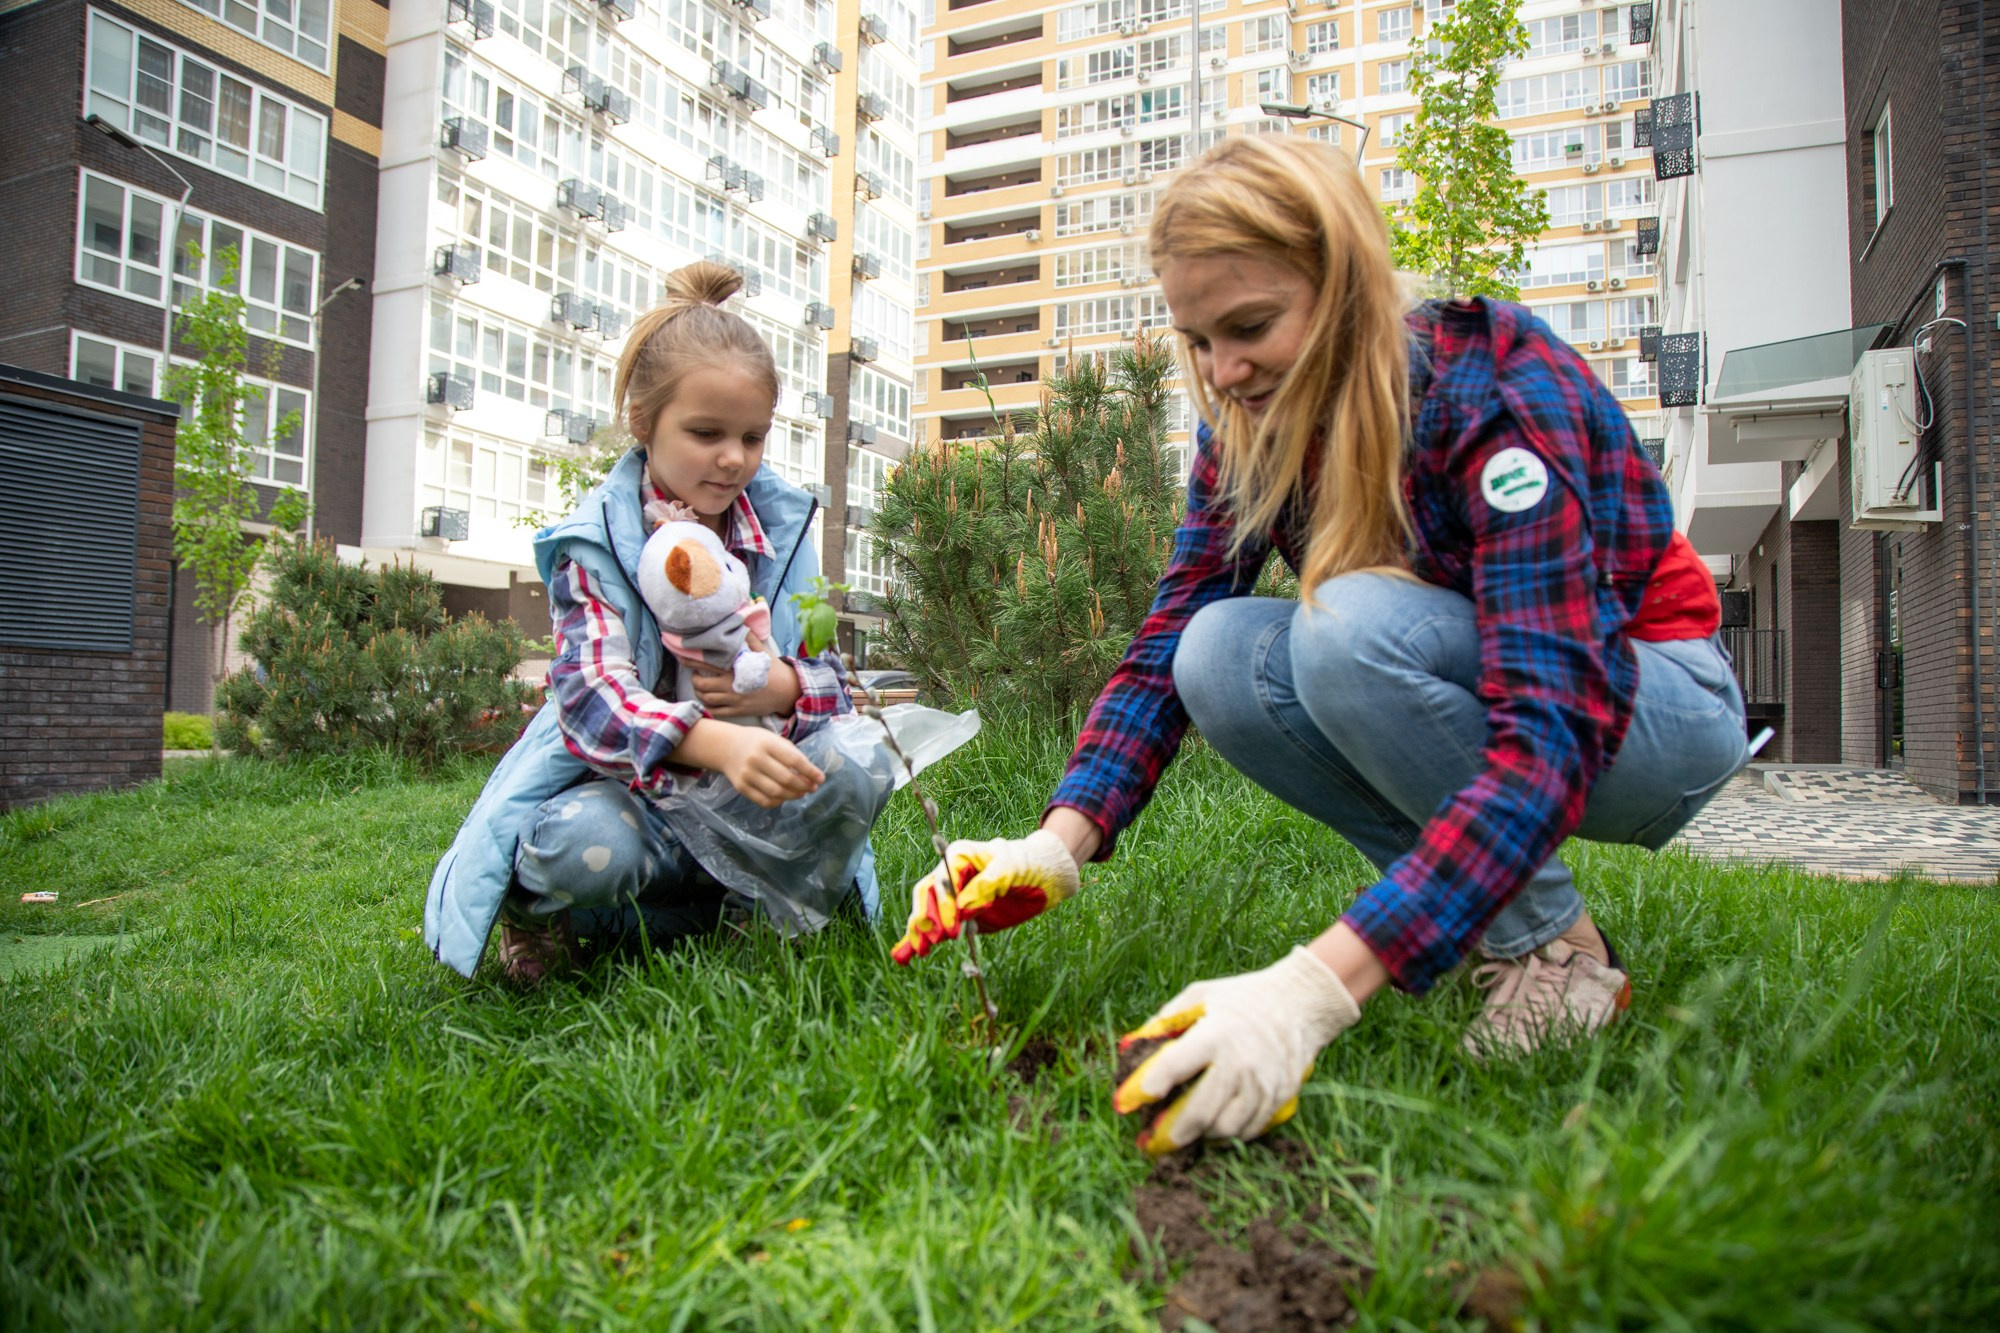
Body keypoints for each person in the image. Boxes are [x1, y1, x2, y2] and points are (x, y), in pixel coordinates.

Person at [890, 137, 1747, 1155]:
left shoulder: (1494, 391)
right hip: (1488, 689)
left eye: (1250, 327)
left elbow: (1552, 732)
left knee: (1344, 625)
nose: (1223, 370)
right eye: (1199, 339)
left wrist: (1312, 989)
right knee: (1216, 653)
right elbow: (1168, 642)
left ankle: (1550, 957)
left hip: (1653, 711)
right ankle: (1531, 941)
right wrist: (1056, 844)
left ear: (1344, 284)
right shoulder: (1246, 422)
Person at [424, 262, 889, 985]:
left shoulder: (782, 533)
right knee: (582, 843)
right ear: (644, 423)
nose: (733, 458)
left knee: (858, 765)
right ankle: (546, 914)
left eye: (753, 437)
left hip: (748, 804)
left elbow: (833, 679)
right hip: (636, 801)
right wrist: (716, 742)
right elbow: (590, 697)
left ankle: (755, 915)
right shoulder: (594, 542)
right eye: (706, 432)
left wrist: (784, 685)